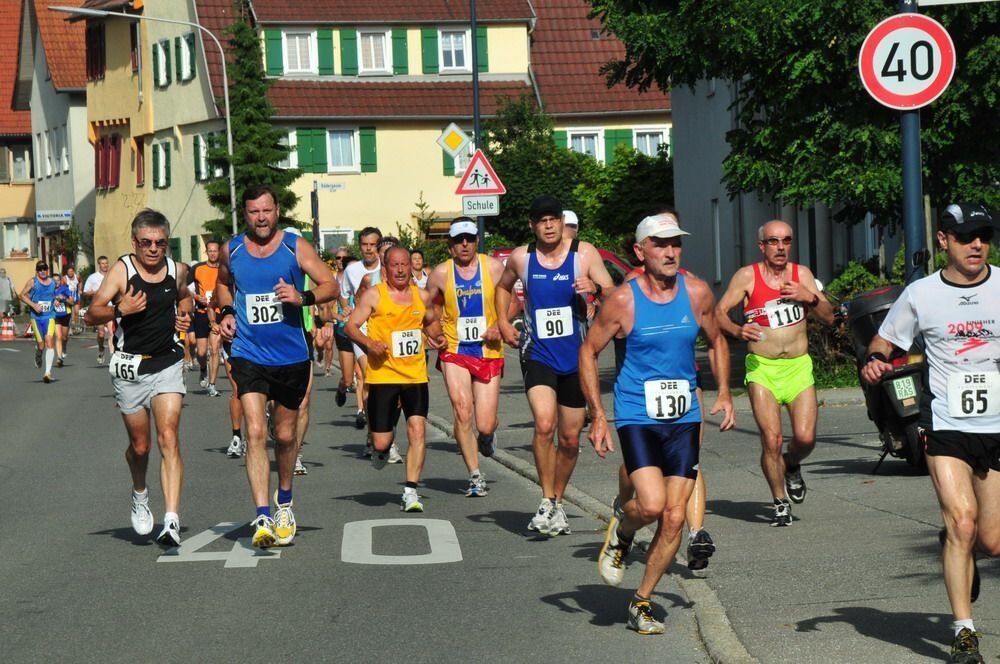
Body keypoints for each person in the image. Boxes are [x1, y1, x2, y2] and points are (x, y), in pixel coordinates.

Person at [581, 211, 735, 634]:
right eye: (660, 244)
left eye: (676, 243)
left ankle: (641, 601)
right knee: (649, 506)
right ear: (640, 250)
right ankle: (624, 527)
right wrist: (597, 414)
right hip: (637, 413)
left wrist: (723, 392)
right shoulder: (623, 300)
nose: (670, 251)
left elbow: (718, 340)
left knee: (673, 517)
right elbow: (588, 352)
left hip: (683, 415)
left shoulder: (697, 292)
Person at [862, 203, 999, 664]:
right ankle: (964, 634)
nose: (976, 244)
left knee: (991, 539)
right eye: (965, 236)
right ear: (944, 241)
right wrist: (874, 360)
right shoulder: (920, 295)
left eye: (983, 235)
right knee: (962, 521)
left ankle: (956, 547)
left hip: (997, 426)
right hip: (946, 424)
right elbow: (884, 343)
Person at [216, 185, 339, 548]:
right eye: (254, 212)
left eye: (267, 211)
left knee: (284, 436)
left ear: (277, 210)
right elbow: (223, 286)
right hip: (248, 352)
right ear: (246, 214)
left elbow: (330, 285)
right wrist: (224, 312)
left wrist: (303, 297)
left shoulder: (294, 246)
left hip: (291, 356)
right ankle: (262, 515)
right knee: (255, 431)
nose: (261, 218)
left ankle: (284, 500)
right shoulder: (232, 249)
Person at [495, 195, 615, 536]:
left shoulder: (584, 254)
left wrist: (595, 288)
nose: (548, 225)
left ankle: (558, 503)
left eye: (553, 219)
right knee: (545, 425)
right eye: (541, 220)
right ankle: (546, 499)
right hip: (538, 352)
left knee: (570, 439)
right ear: (532, 225)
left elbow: (614, 293)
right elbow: (502, 289)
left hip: (577, 357)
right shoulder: (522, 257)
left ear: (562, 222)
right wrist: (503, 323)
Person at [84, 209, 194, 546]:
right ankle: (140, 492)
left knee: (168, 436)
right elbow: (91, 314)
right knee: (141, 446)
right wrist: (120, 310)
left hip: (167, 363)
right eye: (146, 242)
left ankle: (171, 520)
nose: (153, 249)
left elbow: (186, 296)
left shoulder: (176, 270)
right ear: (135, 242)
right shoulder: (122, 271)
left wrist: (184, 316)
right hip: (131, 368)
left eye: (160, 243)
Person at [715, 219, 833, 526]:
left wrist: (809, 297)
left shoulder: (802, 275)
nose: (780, 247)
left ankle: (791, 464)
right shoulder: (747, 277)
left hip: (798, 367)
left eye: (786, 241)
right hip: (763, 369)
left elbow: (829, 316)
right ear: (762, 246)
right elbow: (718, 313)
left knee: (805, 439)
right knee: (772, 438)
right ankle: (780, 500)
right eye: (773, 242)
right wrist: (738, 330)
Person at [345, 246, 446, 511]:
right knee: (382, 441)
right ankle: (379, 449)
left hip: (415, 375)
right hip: (383, 376)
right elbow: (350, 326)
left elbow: (432, 323)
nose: (401, 269)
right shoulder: (374, 295)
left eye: (405, 265)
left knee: (417, 430)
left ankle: (411, 490)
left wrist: (437, 337)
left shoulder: (421, 296)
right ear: (386, 269)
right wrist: (369, 344)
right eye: (395, 265)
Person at [425, 218, 505, 497]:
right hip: (454, 350)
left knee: (484, 422)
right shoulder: (440, 274)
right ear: (450, 246)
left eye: (469, 238)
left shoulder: (493, 268)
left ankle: (488, 435)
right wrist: (433, 331)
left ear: (477, 241)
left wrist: (500, 325)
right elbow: (425, 306)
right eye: (459, 240)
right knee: (462, 409)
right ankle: (475, 475)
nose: (465, 244)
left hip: (488, 350)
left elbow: (514, 301)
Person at [340, 228, 383, 430]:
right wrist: (346, 305)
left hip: (385, 328)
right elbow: (343, 293)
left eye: (372, 244)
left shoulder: (387, 267)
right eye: (365, 244)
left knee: (383, 382)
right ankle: (375, 431)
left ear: (379, 246)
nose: (368, 249)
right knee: (369, 377)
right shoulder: (352, 270)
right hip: (361, 329)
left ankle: (376, 429)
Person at [190, 240, 223, 397]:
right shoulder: (198, 268)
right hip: (202, 313)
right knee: (202, 352)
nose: (213, 253)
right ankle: (203, 368)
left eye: (215, 251)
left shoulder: (224, 269)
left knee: (214, 349)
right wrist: (196, 296)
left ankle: (212, 384)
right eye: (210, 251)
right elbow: (184, 286)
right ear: (206, 253)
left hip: (218, 313)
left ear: (219, 252)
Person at [20, 261, 57, 382]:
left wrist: (57, 300)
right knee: (41, 345)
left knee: (49, 341)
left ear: (48, 270)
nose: (42, 271)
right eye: (40, 269)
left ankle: (47, 373)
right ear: (37, 271)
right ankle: (38, 352)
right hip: (36, 317)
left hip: (49, 316)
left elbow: (55, 295)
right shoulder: (33, 282)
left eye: (44, 269)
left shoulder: (53, 282)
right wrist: (33, 305)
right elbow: (22, 295)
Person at [83, 256, 114, 364]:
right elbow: (85, 292)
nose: (105, 265)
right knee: (101, 333)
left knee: (111, 332)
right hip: (98, 308)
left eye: (106, 263)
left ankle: (112, 356)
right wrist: (96, 292)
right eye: (102, 263)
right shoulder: (93, 277)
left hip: (110, 308)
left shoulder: (112, 276)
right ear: (99, 265)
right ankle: (101, 349)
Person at [53, 273, 77, 366]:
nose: (56, 282)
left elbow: (72, 301)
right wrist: (53, 301)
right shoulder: (50, 290)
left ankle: (64, 348)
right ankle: (59, 358)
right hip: (55, 315)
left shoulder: (64, 289)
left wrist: (64, 299)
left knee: (64, 337)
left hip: (65, 315)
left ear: (61, 281)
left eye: (58, 280)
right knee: (58, 337)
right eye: (54, 280)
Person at [65, 265, 81, 331]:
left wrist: (80, 289)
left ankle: (77, 327)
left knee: (76, 312)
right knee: (69, 313)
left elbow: (80, 282)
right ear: (67, 272)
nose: (70, 273)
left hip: (76, 296)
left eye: (71, 271)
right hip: (68, 297)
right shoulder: (64, 278)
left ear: (73, 271)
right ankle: (70, 328)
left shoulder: (77, 277)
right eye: (69, 271)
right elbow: (62, 287)